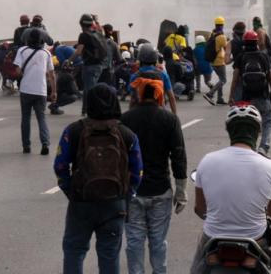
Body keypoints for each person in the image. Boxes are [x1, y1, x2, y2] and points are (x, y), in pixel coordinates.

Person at [191, 105, 271, 274]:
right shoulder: (270, 167)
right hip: (257, 240)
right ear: (258, 132)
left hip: (213, 240)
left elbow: (200, 209)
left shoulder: (207, 161)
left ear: (229, 131)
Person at [54, 85, 142, 274]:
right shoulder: (127, 134)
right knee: (109, 254)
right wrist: (126, 197)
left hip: (81, 202)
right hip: (114, 204)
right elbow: (137, 172)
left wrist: (71, 191)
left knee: (74, 251)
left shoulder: (74, 131)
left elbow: (60, 167)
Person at [120, 73, 187, 274]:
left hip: (132, 191)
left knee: (134, 242)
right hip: (161, 190)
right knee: (158, 242)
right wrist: (181, 191)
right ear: (159, 95)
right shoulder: (170, 119)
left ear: (139, 94)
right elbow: (178, 155)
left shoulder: (125, 119)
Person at [229, 30, 271, 156]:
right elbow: (270, 77)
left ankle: (251, 147)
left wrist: (230, 96)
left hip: (247, 99)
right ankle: (263, 147)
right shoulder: (263, 56)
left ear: (245, 42)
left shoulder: (241, 57)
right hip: (263, 96)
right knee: (267, 120)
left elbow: (235, 79)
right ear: (256, 42)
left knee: (250, 123)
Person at [15, 28, 57, 155]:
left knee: (26, 118)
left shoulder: (22, 50)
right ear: (41, 40)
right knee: (41, 118)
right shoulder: (46, 53)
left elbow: (17, 71)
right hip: (41, 91)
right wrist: (54, 91)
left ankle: (26, 146)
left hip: (26, 90)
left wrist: (25, 75)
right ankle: (45, 143)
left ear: (28, 39)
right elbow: (52, 75)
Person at [69, 14, 110, 116]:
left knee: (90, 90)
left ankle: (91, 110)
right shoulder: (98, 33)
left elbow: (78, 52)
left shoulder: (83, 35)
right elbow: (101, 30)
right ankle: (85, 110)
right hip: (100, 65)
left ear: (81, 24)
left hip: (89, 66)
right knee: (89, 88)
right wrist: (96, 20)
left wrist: (69, 60)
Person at [128, 44, 180, 115]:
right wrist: (174, 116)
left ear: (140, 59)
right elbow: (171, 97)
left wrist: (130, 116)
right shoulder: (163, 74)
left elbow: (133, 99)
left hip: (139, 113)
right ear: (156, 59)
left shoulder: (135, 76)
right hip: (159, 112)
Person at [203, 17, 229, 106]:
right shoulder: (222, 36)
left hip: (213, 61)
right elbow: (226, 49)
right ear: (222, 25)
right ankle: (210, 94)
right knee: (223, 80)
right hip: (219, 61)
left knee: (220, 79)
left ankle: (220, 99)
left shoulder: (213, 34)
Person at [51, 46, 82, 116]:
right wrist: (81, 95)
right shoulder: (68, 76)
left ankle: (52, 105)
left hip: (49, 93)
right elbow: (74, 90)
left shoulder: (58, 74)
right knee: (74, 97)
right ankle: (54, 105)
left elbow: (62, 61)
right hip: (54, 94)